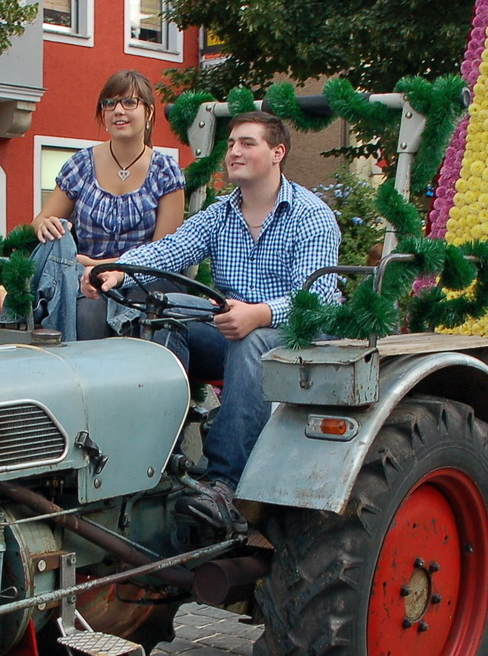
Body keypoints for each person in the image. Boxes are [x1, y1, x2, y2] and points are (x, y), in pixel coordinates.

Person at [85, 110, 340, 523]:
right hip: (234, 327)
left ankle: (225, 484)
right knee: (165, 314)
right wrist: (119, 268)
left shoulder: (311, 217)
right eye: (232, 143)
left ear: (278, 153)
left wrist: (259, 314)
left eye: (247, 143)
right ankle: (155, 457)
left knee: (250, 340)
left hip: (300, 336)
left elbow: (318, 301)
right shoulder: (221, 215)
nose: (234, 152)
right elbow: (170, 250)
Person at [35, 70, 186, 264]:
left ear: (149, 112)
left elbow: (164, 254)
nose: (118, 110)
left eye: (129, 102)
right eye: (110, 103)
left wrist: (95, 266)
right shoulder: (81, 165)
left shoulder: (166, 172)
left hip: (143, 282)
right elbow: (41, 220)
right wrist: (44, 225)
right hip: (81, 282)